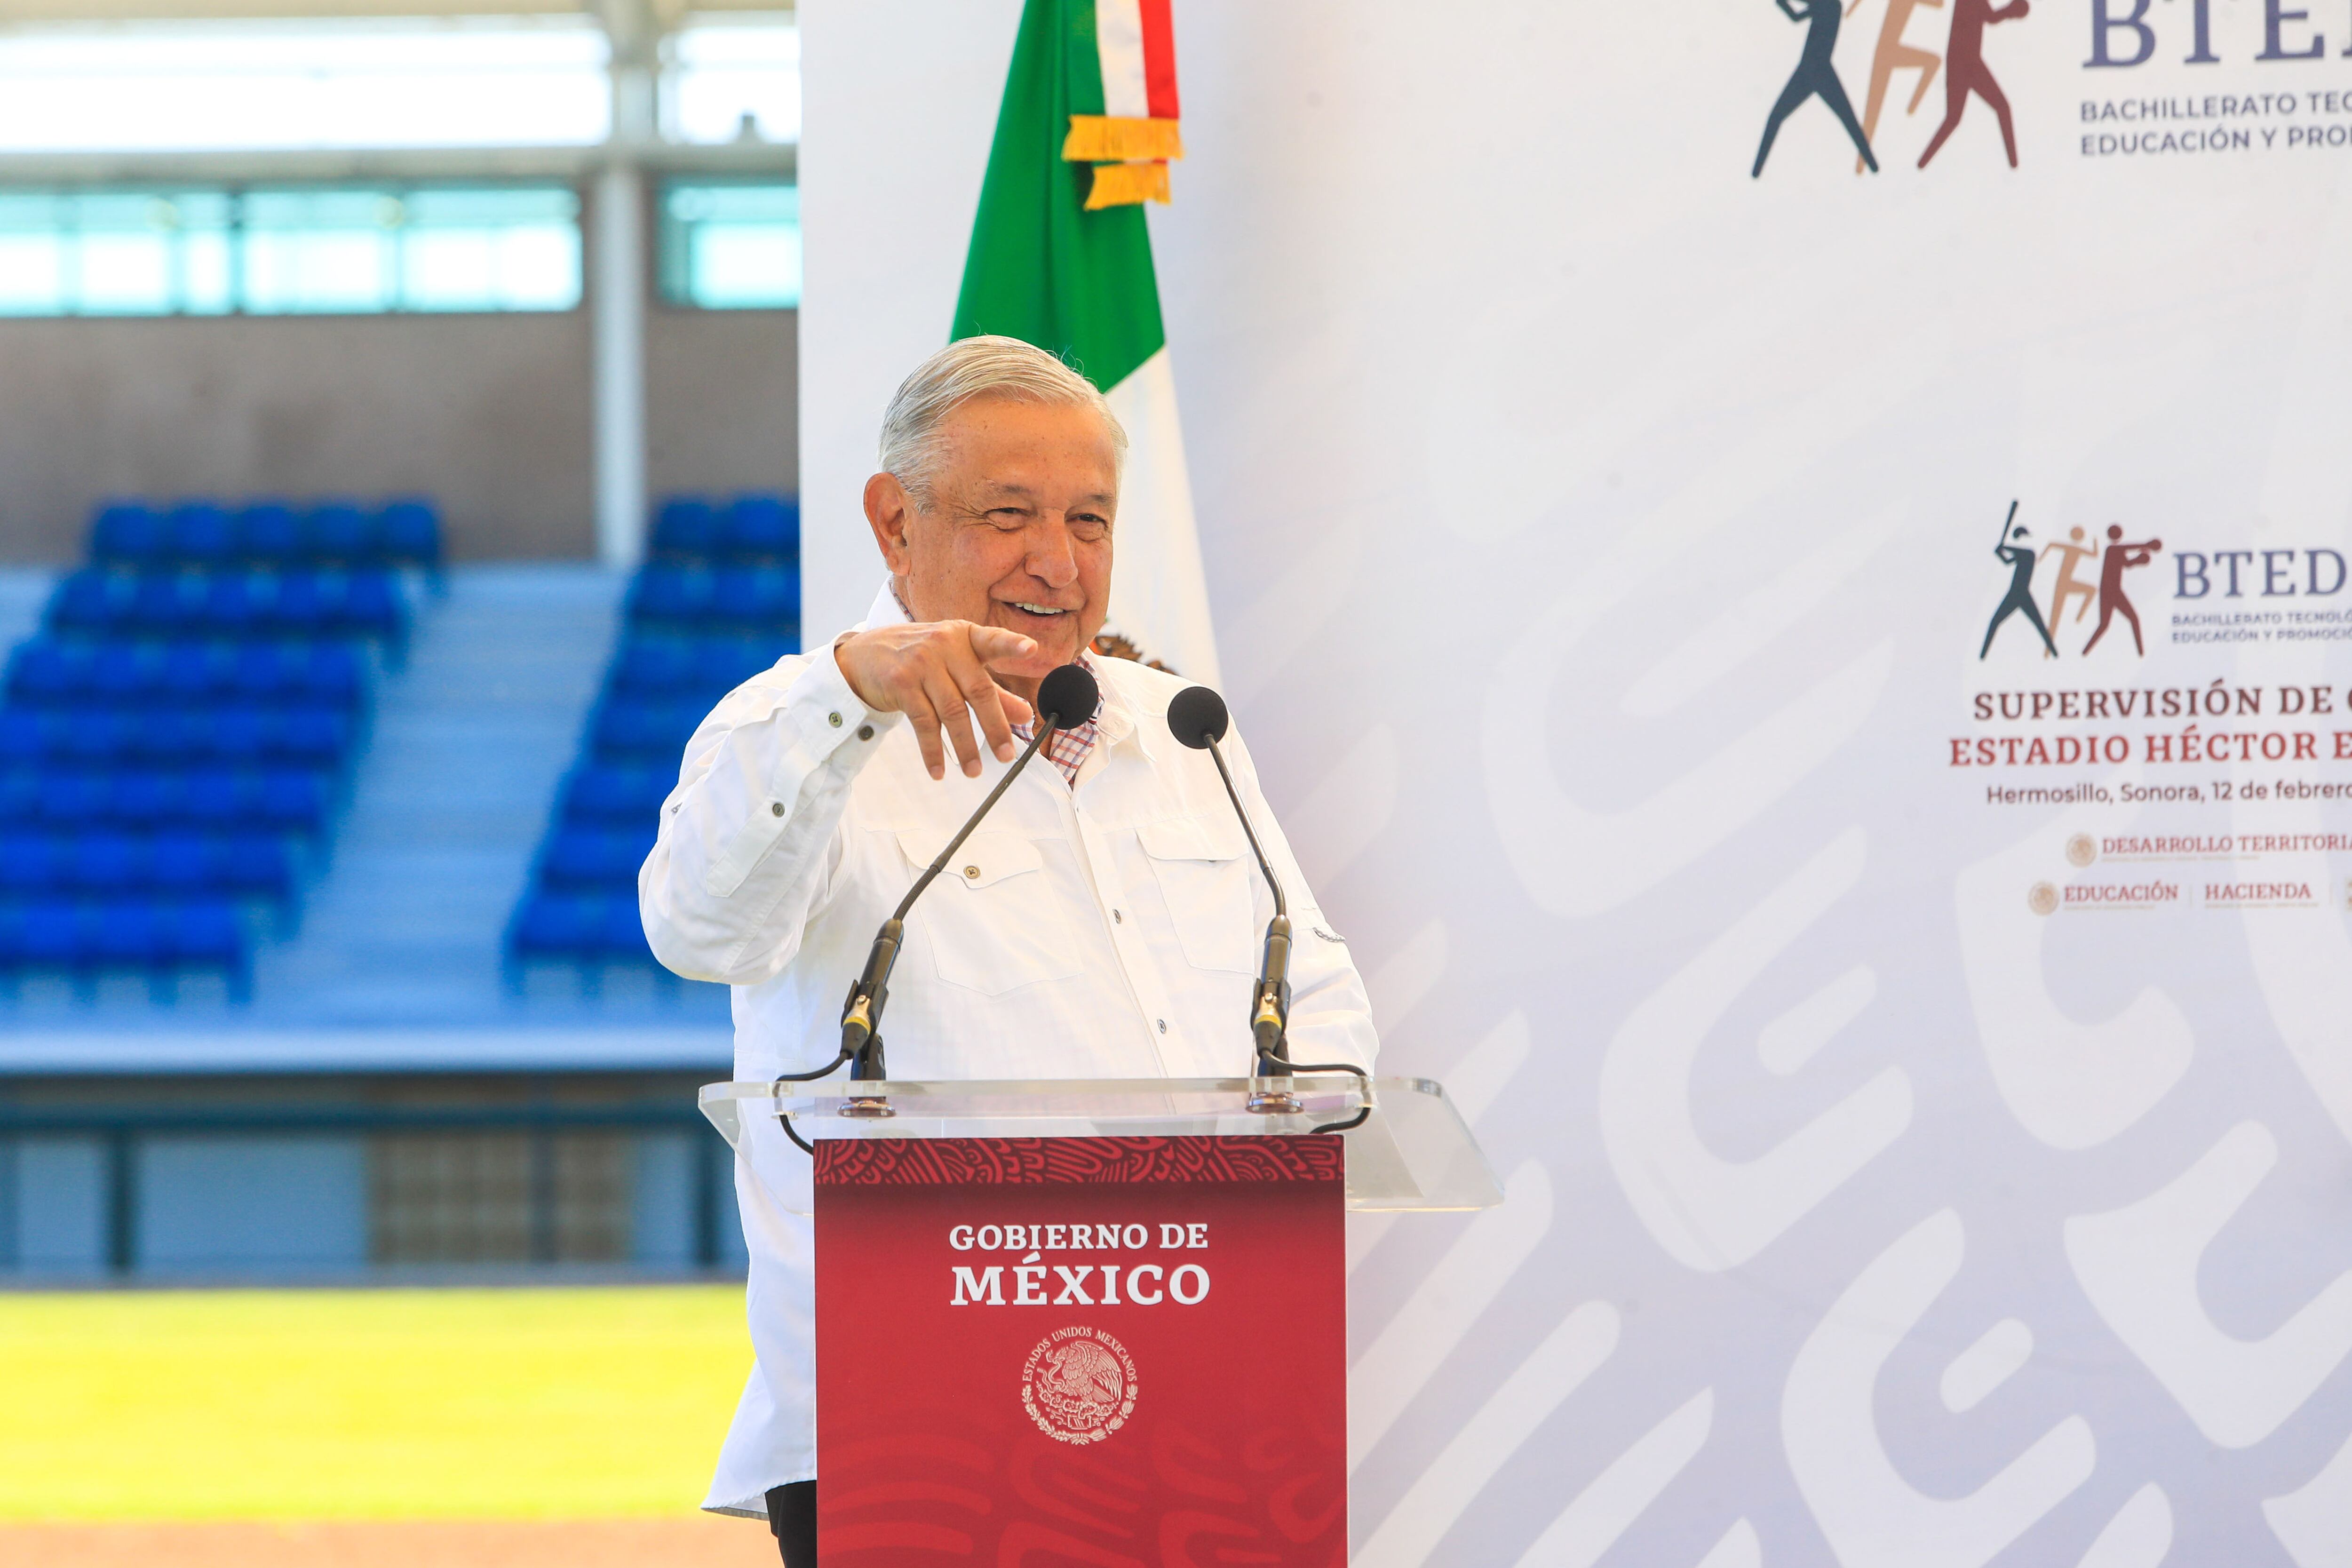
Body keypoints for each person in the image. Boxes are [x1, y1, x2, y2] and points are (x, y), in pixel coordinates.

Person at [638, 335, 1378, 1567]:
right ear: (893, 522)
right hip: (915, 1422)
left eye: (1090, 518)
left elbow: (1320, 1003)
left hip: (1200, 1402)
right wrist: (850, 695)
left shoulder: (1183, 729)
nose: (1058, 560)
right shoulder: (788, 728)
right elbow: (699, 930)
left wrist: (1277, 1149)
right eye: (1008, 515)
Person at [1753, 0, 1880, 178]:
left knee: (1776, 118)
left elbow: (1796, 17)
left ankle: (1756, 172)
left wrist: (1782, 4)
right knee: (1849, 119)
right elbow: (1798, 17)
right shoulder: (1833, 6)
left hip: (1812, 71)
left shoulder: (1827, 5)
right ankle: (1873, 166)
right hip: (1817, 71)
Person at [1916, 0, 2030, 169]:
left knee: (1999, 108)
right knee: (1955, 118)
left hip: (1969, 62)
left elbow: (1989, 18)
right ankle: (1921, 164)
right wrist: (2011, 11)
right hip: (1963, 63)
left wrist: (2010, 11)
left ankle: (2014, 165)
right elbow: (1990, 18)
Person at [1853, 0, 1945, 175]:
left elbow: (1938, 4)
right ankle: (1860, 165)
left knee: (1872, 114)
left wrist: (1853, 9)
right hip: (1887, 53)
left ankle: (1911, 107)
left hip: (1890, 52)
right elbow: (1939, 4)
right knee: (1872, 113)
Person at [1980, 519, 2057, 659]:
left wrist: (2002, 548)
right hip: (2018, 592)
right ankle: (1983, 655)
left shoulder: (2028, 553)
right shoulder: (2023, 554)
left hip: (2019, 592)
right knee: (2037, 625)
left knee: (1997, 622)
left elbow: (2011, 551)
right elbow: (2007, 562)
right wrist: (2000, 552)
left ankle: (2055, 653)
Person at [2082, 524, 2161, 656]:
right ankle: (2141, 653)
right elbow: (2125, 548)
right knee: (2123, 621)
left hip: (2111, 590)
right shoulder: (2112, 549)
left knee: (2107, 624)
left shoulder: (2116, 551)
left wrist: (2139, 559)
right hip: (2111, 591)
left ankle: (2140, 652)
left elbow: (2127, 565)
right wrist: (2146, 545)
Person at [2040, 525, 2099, 633]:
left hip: (2066, 582)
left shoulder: (2076, 549)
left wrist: (2041, 558)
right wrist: (2095, 540)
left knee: (2092, 590)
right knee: (2054, 620)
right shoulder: (2074, 549)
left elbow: (2051, 545)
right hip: (2063, 583)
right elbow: (2095, 554)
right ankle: (2078, 617)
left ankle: (2079, 617)